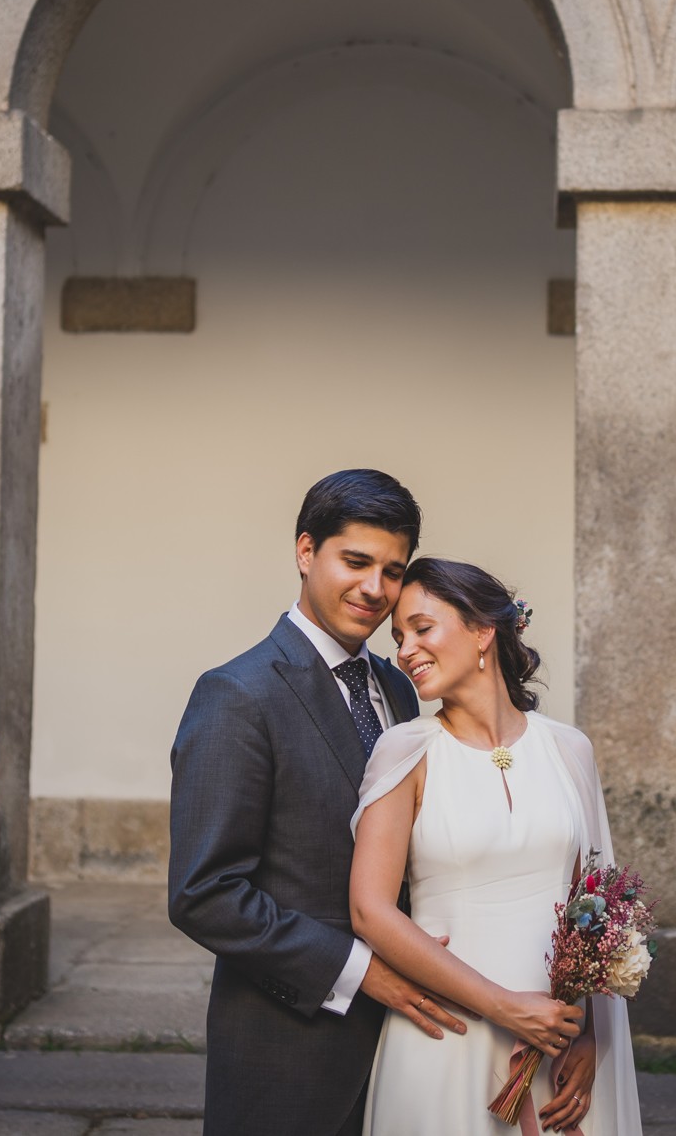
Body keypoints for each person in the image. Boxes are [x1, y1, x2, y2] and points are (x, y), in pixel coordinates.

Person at [170, 469, 494, 1136]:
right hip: (289, 1050)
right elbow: (204, 891)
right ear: (305, 550)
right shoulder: (237, 694)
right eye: (355, 561)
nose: (375, 588)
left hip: (412, 1051)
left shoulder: (399, 689)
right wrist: (362, 971)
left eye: (392, 569)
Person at [350, 558, 642, 1135]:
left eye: (422, 628)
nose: (406, 650)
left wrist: (592, 1037)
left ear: (483, 631)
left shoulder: (569, 749)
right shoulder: (403, 750)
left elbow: (603, 907)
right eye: (399, 637)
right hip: (449, 1036)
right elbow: (370, 910)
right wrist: (502, 1006)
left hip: (563, 1049)